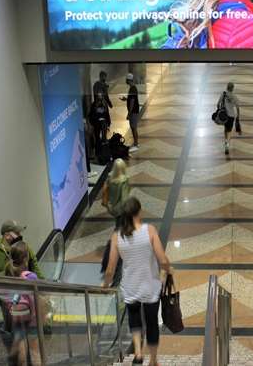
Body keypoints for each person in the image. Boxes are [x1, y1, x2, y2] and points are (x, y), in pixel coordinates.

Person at [102, 197, 171, 366]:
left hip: (130, 286)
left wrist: (105, 285)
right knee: (152, 323)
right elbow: (163, 260)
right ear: (139, 212)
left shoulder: (117, 236)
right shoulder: (150, 230)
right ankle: (153, 360)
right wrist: (164, 274)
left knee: (134, 319)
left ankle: (138, 354)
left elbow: (110, 269)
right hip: (150, 286)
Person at [0, 241, 41, 366]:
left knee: (20, 348)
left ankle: (13, 358)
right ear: (25, 258)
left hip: (16, 316)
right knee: (35, 351)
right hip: (32, 318)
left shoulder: (8, 273)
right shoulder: (30, 276)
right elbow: (37, 296)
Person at [101, 158, 131, 226]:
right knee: (121, 225)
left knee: (117, 222)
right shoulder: (124, 181)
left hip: (111, 206)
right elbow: (124, 197)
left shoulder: (110, 177)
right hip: (121, 207)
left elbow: (104, 190)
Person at [88, 93, 111, 160]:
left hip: (103, 123)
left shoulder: (104, 104)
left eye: (101, 97)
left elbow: (107, 114)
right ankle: (98, 153)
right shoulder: (94, 105)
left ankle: (104, 152)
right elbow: (91, 115)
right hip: (96, 123)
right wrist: (92, 123)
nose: (100, 99)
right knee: (97, 138)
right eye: (98, 97)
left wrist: (108, 123)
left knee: (104, 138)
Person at [121, 73, 140, 152]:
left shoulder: (133, 89)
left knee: (134, 127)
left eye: (126, 80)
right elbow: (131, 99)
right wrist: (126, 99)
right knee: (133, 127)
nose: (126, 81)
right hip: (134, 111)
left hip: (133, 111)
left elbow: (132, 102)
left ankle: (136, 143)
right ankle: (135, 142)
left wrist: (129, 113)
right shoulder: (132, 88)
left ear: (129, 80)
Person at [222, 82, 241, 155]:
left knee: (225, 129)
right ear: (232, 88)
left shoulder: (223, 94)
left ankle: (225, 140)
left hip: (224, 115)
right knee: (229, 131)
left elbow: (218, 103)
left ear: (227, 87)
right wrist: (238, 115)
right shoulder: (234, 96)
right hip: (231, 116)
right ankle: (227, 143)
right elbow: (237, 107)